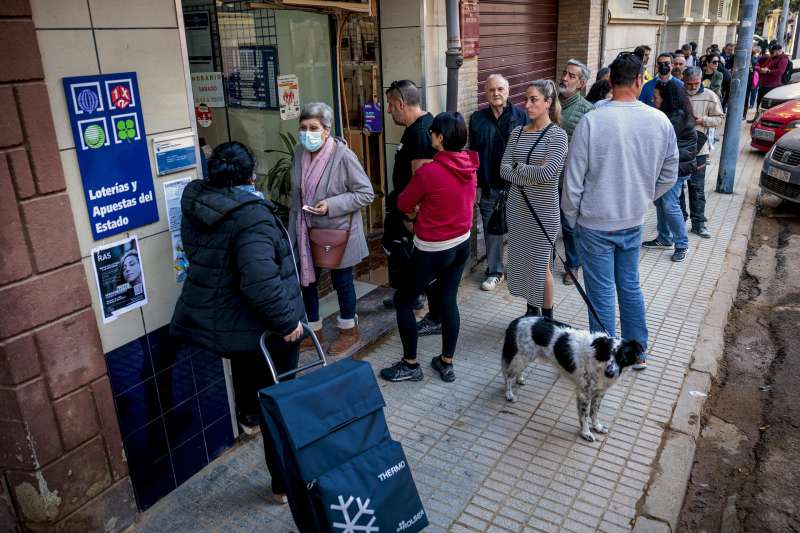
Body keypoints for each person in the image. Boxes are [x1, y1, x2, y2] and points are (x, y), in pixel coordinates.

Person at [170, 141, 305, 504]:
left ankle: (249, 418)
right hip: (266, 327)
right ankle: (283, 484)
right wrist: (287, 322)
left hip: (232, 323)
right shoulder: (252, 216)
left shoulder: (199, 204)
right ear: (250, 175)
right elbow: (260, 281)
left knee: (253, 388)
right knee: (281, 405)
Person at [562, 52, 678, 371]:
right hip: (633, 220)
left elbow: (573, 178)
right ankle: (637, 352)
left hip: (594, 223)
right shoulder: (659, 121)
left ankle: (605, 358)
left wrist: (570, 217)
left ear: (609, 81)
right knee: (630, 286)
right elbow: (670, 172)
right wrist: (644, 197)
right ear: (640, 80)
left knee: (601, 293)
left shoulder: (592, 121)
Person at [379, 112, 478, 383]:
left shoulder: (430, 172)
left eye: (432, 132)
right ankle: (446, 363)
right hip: (461, 244)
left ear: (440, 138)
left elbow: (402, 203)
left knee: (403, 301)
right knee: (448, 300)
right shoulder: (470, 166)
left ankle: (410, 364)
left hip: (433, 248)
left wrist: (413, 218)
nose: (429, 135)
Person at [289, 102, 375, 355]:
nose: (307, 133)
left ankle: (349, 330)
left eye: (313, 128)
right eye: (303, 127)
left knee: (342, 281)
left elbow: (365, 193)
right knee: (307, 282)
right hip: (305, 229)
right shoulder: (297, 152)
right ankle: (312, 332)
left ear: (326, 130)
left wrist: (332, 205)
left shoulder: (343, 156)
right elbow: (296, 194)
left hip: (338, 230)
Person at [501, 80, 569, 318]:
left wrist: (518, 168)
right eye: (526, 99)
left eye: (534, 100)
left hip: (543, 212)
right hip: (517, 208)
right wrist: (528, 170)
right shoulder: (517, 132)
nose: (527, 105)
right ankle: (531, 313)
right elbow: (503, 169)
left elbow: (549, 173)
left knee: (542, 266)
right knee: (522, 261)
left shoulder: (558, 136)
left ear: (548, 103)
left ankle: (547, 320)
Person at [381, 80, 441, 334]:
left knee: (423, 262)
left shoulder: (420, 133)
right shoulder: (417, 127)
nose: (388, 111)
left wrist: (411, 216)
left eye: (390, 106)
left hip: (413, 215)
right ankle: (410, 295)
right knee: (403, 256)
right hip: (403, 210)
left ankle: (435, 317)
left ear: (401, 104)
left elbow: (423, 181)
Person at [469, 74, 527, 292]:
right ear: (486, 93)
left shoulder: (521, 117)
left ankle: (519, 269)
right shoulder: (477, 118)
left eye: (500, 89)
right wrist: (475, 186)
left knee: (518, 229)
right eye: (491, 90)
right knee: (492, 230)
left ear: (508, 91)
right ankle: (495, 271)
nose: (496, 94)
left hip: (516, 185)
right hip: (489, 184)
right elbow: (473, 156)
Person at [642, 81, 696, 263]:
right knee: (661, 202)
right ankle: (664, 238)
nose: (652, 99)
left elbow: (658, 142)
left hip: (677, 169)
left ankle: (682, 244)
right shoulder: (671, 114)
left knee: (670, 205)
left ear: (667, 99)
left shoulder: (676, 117)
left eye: (656, 97)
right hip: (670, 168)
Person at [558, 59, 594, 285]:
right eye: (564, 73)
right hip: (545, 177)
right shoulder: (550, 101)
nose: (564, 78)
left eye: (571, 76)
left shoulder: (587, 111)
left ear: (581, 84)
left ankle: (573, 264)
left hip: (568, 179)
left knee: (569, 225)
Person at [683, 66, 725, 238]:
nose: (692, 87)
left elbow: (720, 119)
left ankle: (699, 224)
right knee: (677, 189)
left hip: (699, 149)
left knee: (697, 188)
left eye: (696, 83)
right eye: (689, 84)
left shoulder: (710, 96)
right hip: (679, 148)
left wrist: (702, 120)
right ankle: (679, 221)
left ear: (701, 80)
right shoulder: (678, 93)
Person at [756, 42, 789, 110]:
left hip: (772, 85)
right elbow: (764, 65)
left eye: (773, 52)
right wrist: (761, 69)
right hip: (763, 83)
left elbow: (780, 71)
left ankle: (762, 118)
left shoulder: (783, 59)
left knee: (766, 104)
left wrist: (768, 71)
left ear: (778, 51)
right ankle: (756, 117)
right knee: (759, 101)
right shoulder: (772, 57)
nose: (772, 53)